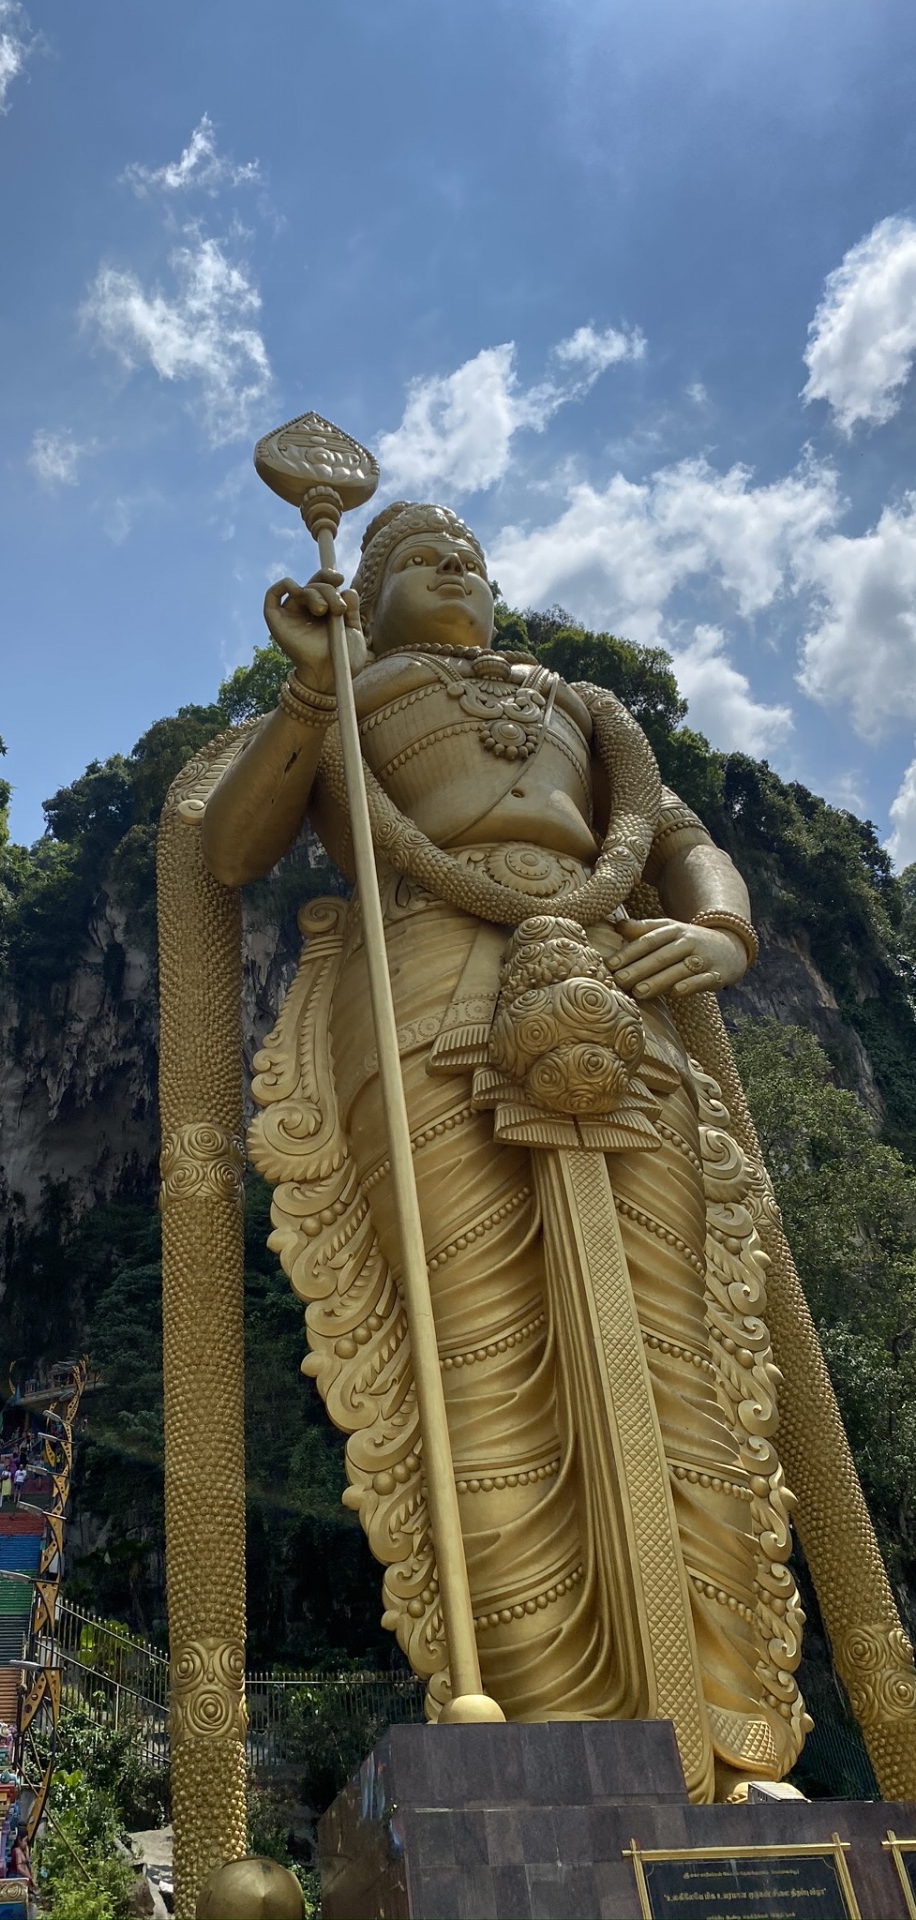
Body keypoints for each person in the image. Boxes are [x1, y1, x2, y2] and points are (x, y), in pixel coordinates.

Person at [196, 497, 811, 1803]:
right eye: (423, 555)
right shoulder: (347, 695)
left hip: (612, 980)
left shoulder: (581, 705)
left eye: (471, 551)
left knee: (677, 1352)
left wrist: (722, 934)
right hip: (422, 983)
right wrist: (313, 696)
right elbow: (231, 846)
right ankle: (547, 1735)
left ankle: (735, 1742)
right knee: (474, 1350)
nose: (457, 566)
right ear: (367, 584)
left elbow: (688, 844)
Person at [8, 1826, 38, 1917]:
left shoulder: (21, 1851)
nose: (26, 1844)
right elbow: (20, 1868)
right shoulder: (16, 1851)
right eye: (25, 1841)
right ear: (19, 1840)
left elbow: (25, 1865)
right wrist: (30, 1879)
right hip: (16, 1880)